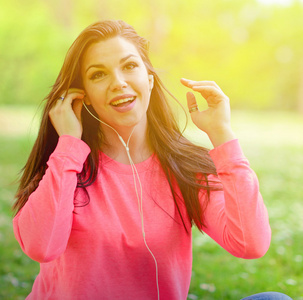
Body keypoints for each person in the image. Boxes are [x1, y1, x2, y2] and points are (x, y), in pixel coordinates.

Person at [12, 20, 291, 300]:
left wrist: (222, 135)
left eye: (130, 66)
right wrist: (68, 146)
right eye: (99, 75)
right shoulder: (64, 167)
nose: (118, 83)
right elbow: (41, 248)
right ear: (82, 97)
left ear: (149, 78)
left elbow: (251, 244)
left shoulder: (185, 168)